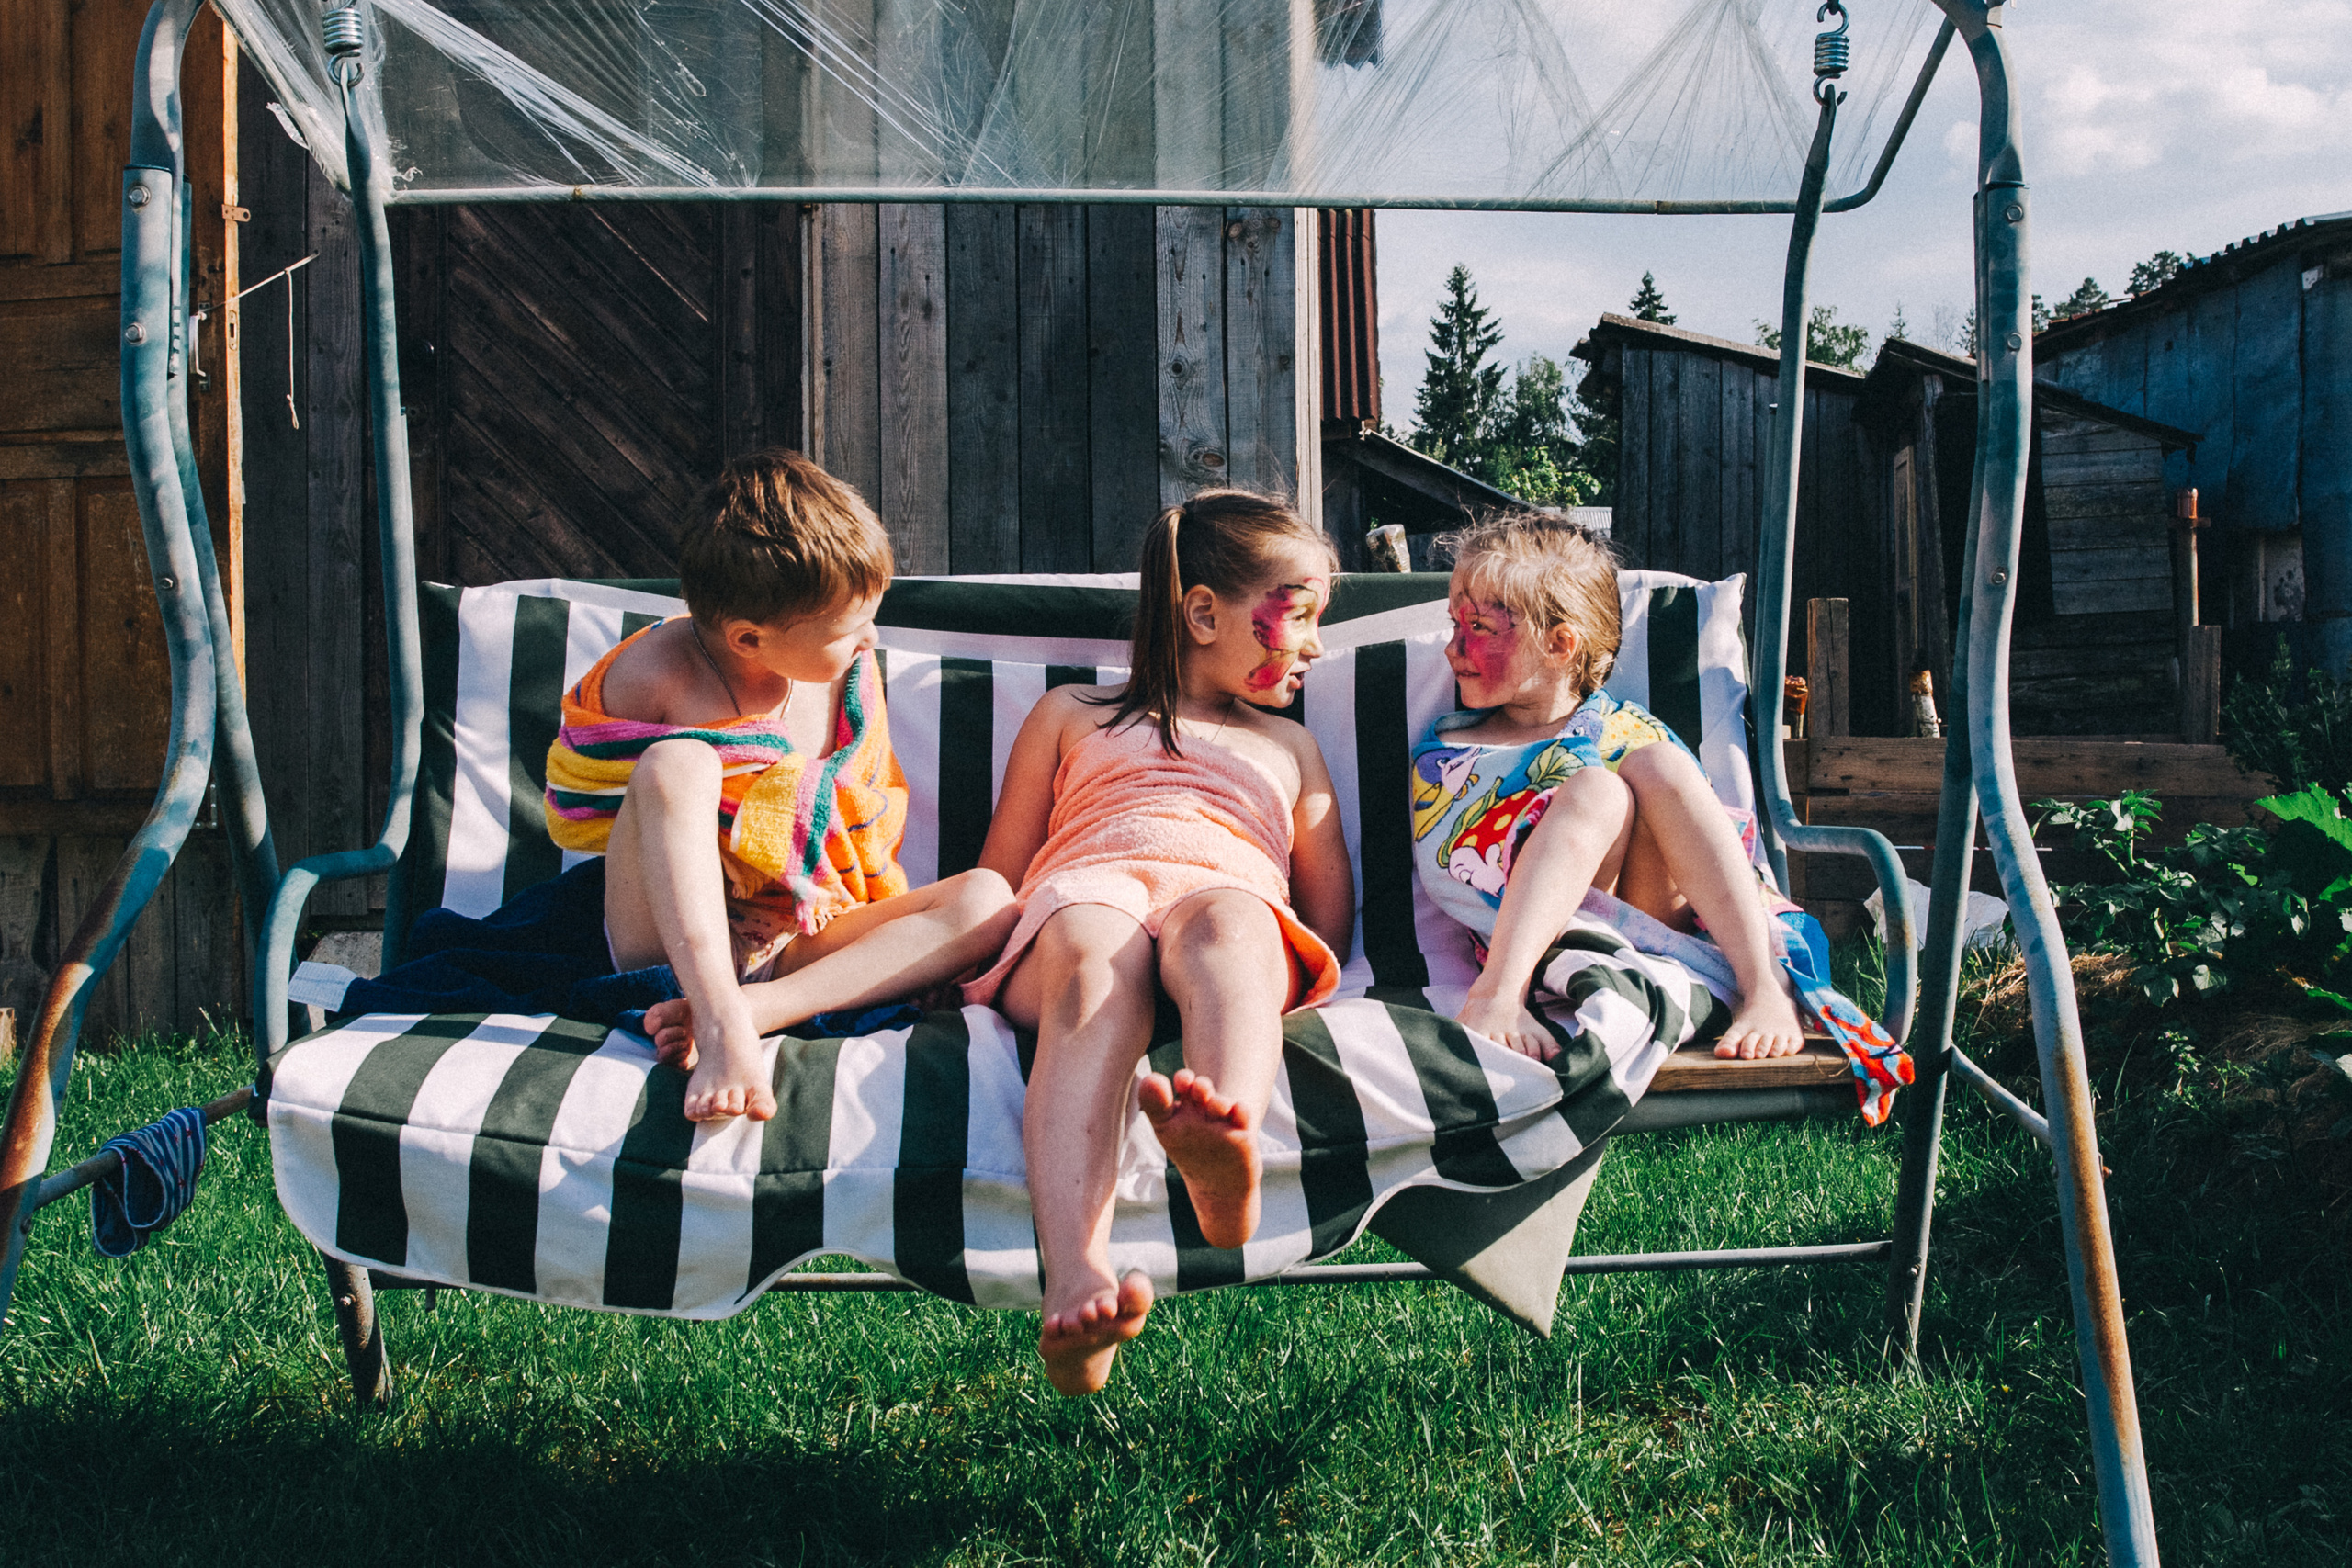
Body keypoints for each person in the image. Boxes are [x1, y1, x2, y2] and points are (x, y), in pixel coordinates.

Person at [968, 490, 1356, 1396]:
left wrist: (1257, 946)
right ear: (1203, 612)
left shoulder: (1289, 746)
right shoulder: (1074, 714)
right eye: (1297, 616)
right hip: (1078, 905)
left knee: (1231, 919)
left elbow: (1326, 913)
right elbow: (1002, 874)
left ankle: (1222, 1149)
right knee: (1096, 957)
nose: (1314, 645)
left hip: (1221, 901)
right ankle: (1076, 1280)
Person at [546, 449, 1017, 1122]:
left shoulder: (844, 679)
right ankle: (714, 1018)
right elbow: (580, 790)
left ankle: (749, 1012)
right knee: (678, 764)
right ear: (747, 638)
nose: (869, 641)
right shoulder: (656, 673)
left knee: (989, 898)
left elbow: (862, 820)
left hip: (792, 940)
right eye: (848, 630)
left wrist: (913, 949)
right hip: (666, 932)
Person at [1411, 512, 1835, 1066]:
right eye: (1453, 626)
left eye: (1479, 630)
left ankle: (1765, 986)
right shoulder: (1454, 752)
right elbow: (1451, 860)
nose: (1453, 649)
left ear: (1561, 644)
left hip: (1659, 917)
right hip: (1543, 942)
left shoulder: (1631, 732)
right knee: (1598, 793)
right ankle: (1499, 992)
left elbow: (1706, 840)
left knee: (1657, 765)